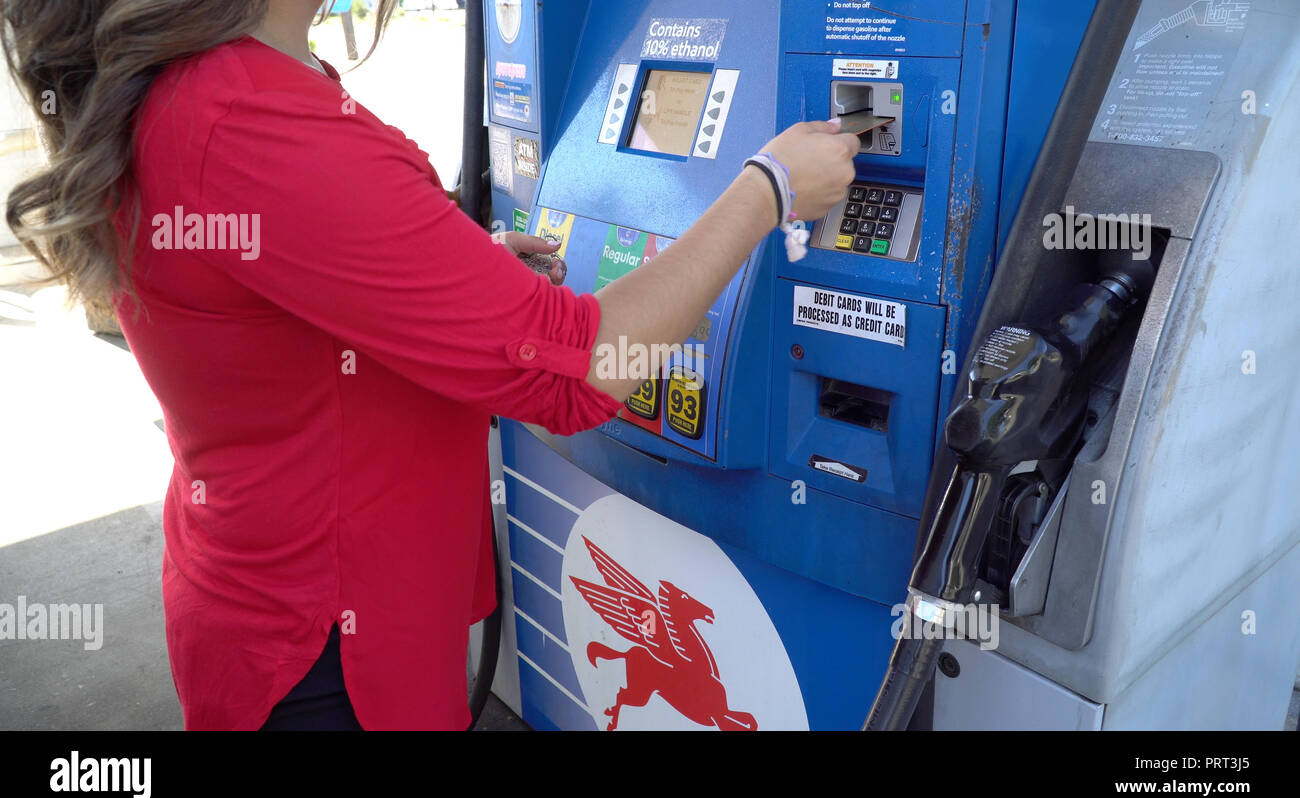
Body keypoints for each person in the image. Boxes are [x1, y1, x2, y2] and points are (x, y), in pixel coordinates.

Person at [3, 0, 859, 730]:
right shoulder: (250, 119)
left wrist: (457, 271)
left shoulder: (203, 89)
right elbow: (580, 372)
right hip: (329, 654)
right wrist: (770, 188)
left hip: (274, 599)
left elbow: (292, 290)